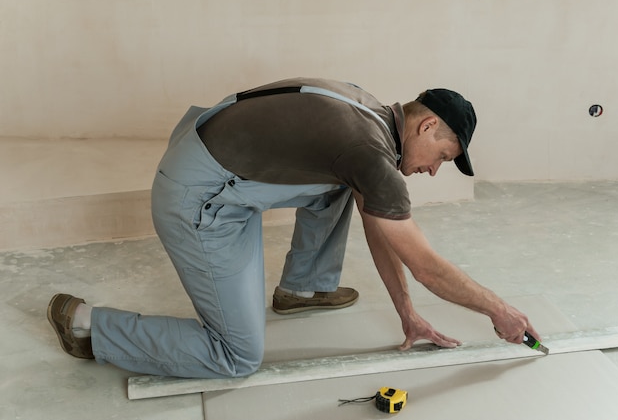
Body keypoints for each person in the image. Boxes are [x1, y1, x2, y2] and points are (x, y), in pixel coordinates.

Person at [47, 77, 540, 378]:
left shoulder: (367, 109)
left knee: (338, 186)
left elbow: (381, 227)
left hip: (201, 152)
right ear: (427, 127)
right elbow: (426, 266)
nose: (434, 170)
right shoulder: (370, 155)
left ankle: (302, 289)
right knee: (235, 357)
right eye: (443, 158)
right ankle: (90, 325)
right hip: (197, 198)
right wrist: (500, 311)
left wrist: (407, 315)